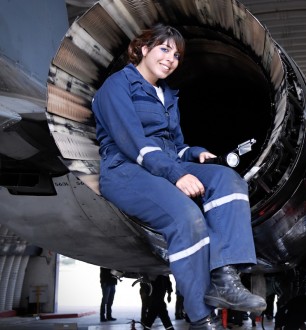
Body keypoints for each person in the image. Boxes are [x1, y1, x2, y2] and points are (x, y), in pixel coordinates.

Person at [91, 24, 266, 330]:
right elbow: (133, 142)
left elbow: (175, 146)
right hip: (126, 170)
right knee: (187, 216)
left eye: (177, 55)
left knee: (229, 181)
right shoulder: (117, 86)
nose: (171, 59)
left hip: (163, 165)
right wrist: (176, 175)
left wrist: (196, 153)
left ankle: (224, 277)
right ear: (144, 49)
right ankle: (201, 317)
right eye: (164, 49)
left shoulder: (168, 95)